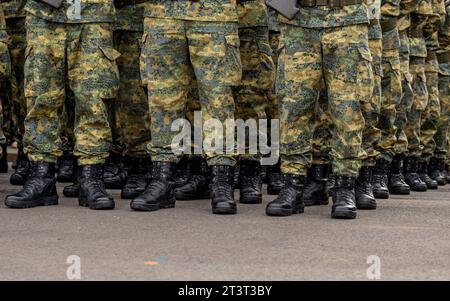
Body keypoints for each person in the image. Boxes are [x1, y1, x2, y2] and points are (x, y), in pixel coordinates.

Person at [5, 0, 120, 210]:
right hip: (44, 13)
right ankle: (41, 176)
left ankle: (91, 178)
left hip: (92, 14)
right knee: (42, 98)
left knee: (92, 99)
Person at [132, 0, 242, 214]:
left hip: (213, 14)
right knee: (162, 100)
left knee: (217, 101)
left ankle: (221, 181)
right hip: (163, 14)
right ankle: (161, 179)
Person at [267, 0, 373, 219]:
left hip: (347, 19)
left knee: (347, 108)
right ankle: (292, 184)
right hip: (299, 20)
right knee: (294, 107)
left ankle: (344, 187)